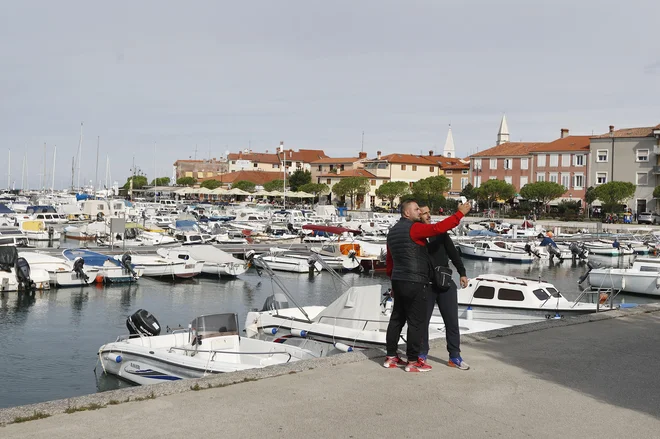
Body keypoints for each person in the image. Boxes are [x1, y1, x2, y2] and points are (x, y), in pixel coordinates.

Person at [384, 199, 471, 372]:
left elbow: (390, 263)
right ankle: (416, 358)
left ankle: (453, 356)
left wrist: (462, 272)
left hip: (430, 283)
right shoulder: (415, 230)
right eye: (419, 211)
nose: (424, 214)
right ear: (409, 213)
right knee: (418, 323)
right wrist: (459, 213)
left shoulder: (394, 232)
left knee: (400, 319)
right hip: (421, 283)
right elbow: (436, 228)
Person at [418, 204, 470, 370]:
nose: (428, 216)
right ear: (418, 216)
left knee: (452, 322)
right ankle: (422, 354)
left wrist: (462, 273)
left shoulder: (440, 233)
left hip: (446, 283)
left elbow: (453, 254)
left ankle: (454, 357)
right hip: (426, 285)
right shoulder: (416, 236)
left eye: (428, 213)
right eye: (424, 213)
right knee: (422, 322)